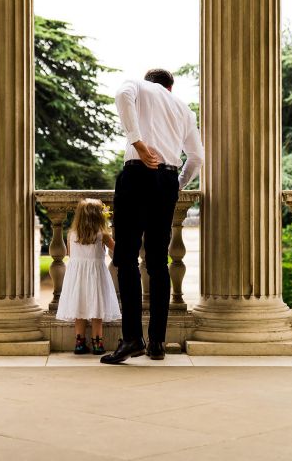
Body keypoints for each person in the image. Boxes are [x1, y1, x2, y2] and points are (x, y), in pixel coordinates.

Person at [101, 68, 204, 364]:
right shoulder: (182, 108)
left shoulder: (137, 84)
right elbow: (196, 157)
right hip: (167, 180)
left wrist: (138, 143)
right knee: (158, 263)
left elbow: (122, 95)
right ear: (170, 87)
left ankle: (133, 338)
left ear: (150, 82)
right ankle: (157, 342)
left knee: (126, 258)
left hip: (137, 175)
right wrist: (176, 183)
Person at [55, 198, 122, 355]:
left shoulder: (72, 234)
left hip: (77, 277)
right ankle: (97, 344)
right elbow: (117, 250)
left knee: (79, 308)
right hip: (96, 276)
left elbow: (70, 254)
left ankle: (79, 343)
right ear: (98, 216)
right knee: (97, 308)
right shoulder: (102, 235)